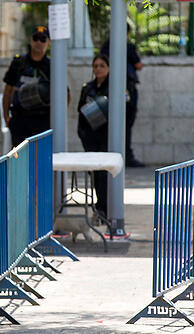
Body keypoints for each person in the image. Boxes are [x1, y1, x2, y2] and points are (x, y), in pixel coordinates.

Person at [2, 26, 70, 147]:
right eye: (36, 38)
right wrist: (7, 117)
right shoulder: (19, 63)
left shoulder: (52, 66)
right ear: (31, 40)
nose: (39, 42)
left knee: (41, 160)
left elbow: (66, 95)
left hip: (43, 121)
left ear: (48, 43)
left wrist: (58, 119)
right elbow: (8, 91)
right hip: (20, 120)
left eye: (43, 39)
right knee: (20, 161)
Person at [100, 25, 145, 167]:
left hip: (115, 89)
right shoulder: (127, 47)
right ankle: (125, 155)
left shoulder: (106, 48)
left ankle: (121, 154)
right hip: (125, 89)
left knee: (119, 123)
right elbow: (139, 65)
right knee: (126, 123)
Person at [77, 54, 112, 221]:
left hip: (106, 137)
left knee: (104, 174)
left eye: (102, 65)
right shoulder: (87, 88)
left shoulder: (114, 87)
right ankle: (99, 208)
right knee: (95, 174)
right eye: (96, 66)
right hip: (91, 137)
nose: (98, 69)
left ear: (109, 68)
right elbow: (81, 112)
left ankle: (106, 207)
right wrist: (82, 134)